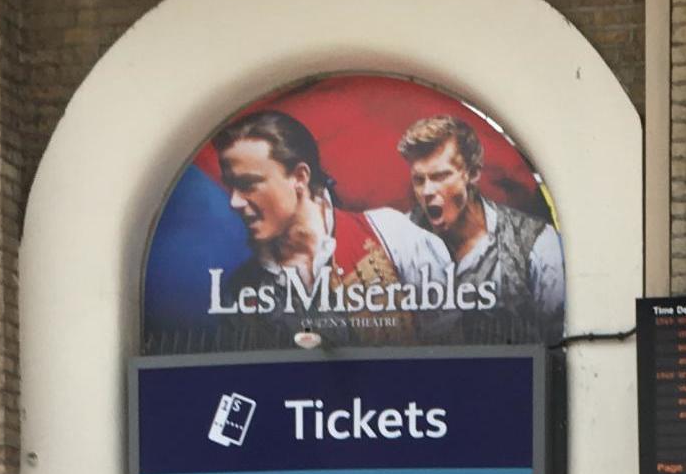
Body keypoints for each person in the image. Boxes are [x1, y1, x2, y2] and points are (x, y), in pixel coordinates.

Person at [211, 110, 452, 331]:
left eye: (247, 185)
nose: (234, 202)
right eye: (231, 187)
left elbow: (456, 347)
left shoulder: (394, 237)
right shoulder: (238, 295)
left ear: (299, 177)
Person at [395, 113, 564, 338]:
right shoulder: (397, 240)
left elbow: (563, 343)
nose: (427, 191)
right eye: (419, 180)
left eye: (440, 176)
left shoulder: (536, 244)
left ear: (472, 173)